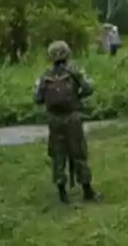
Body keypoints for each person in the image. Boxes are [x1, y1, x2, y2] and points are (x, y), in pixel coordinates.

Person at [34, 40, 101, 204]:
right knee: (79, 153)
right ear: (67, 53)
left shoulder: (45, 75)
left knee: (58, 155)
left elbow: (37, 98)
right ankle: (87, 190)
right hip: (73, 117)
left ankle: (62, 193)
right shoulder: (74, 71)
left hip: (54, 120)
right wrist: (77, 96)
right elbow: (89, 88)